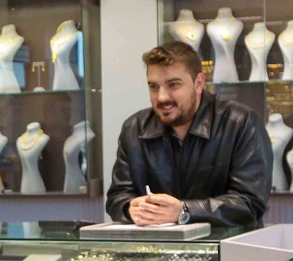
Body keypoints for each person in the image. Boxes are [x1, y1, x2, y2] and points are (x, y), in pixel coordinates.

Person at [105, 41, 269, 227]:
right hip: (158, 244)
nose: (162, 97)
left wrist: (185, 210)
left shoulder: (240, 123)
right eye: (154, 86)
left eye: (173, 85)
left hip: (227, 244)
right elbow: (117, 197)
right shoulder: (134, 129)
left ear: (198, 83)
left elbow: (250, 203)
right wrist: (130, 207)